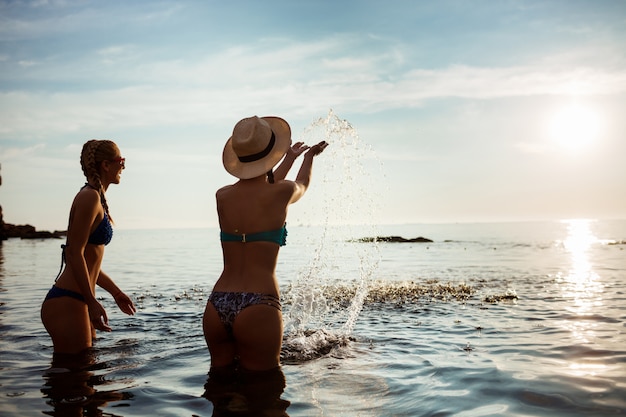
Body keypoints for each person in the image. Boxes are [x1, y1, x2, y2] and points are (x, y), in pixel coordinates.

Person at [203, 115, 328, 374]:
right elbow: (300, 184)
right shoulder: (280, 193)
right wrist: (307, 158)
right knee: (266, 390)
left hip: (218, 304)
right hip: (259, 304)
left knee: (218, 386)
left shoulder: (222, 196)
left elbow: (260, 187)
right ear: (272, 154)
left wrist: (288, 159)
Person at [41, 139, 136, 356]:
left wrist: (116, 292)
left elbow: (87, 260)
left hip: (78, 299)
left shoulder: (96, 198)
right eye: (121, 160)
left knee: (85, 377)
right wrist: (92, 302)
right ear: (105, 165)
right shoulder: (89, 197)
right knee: (77, 377)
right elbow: (73, 253)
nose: (123, 166)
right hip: (68, 300)